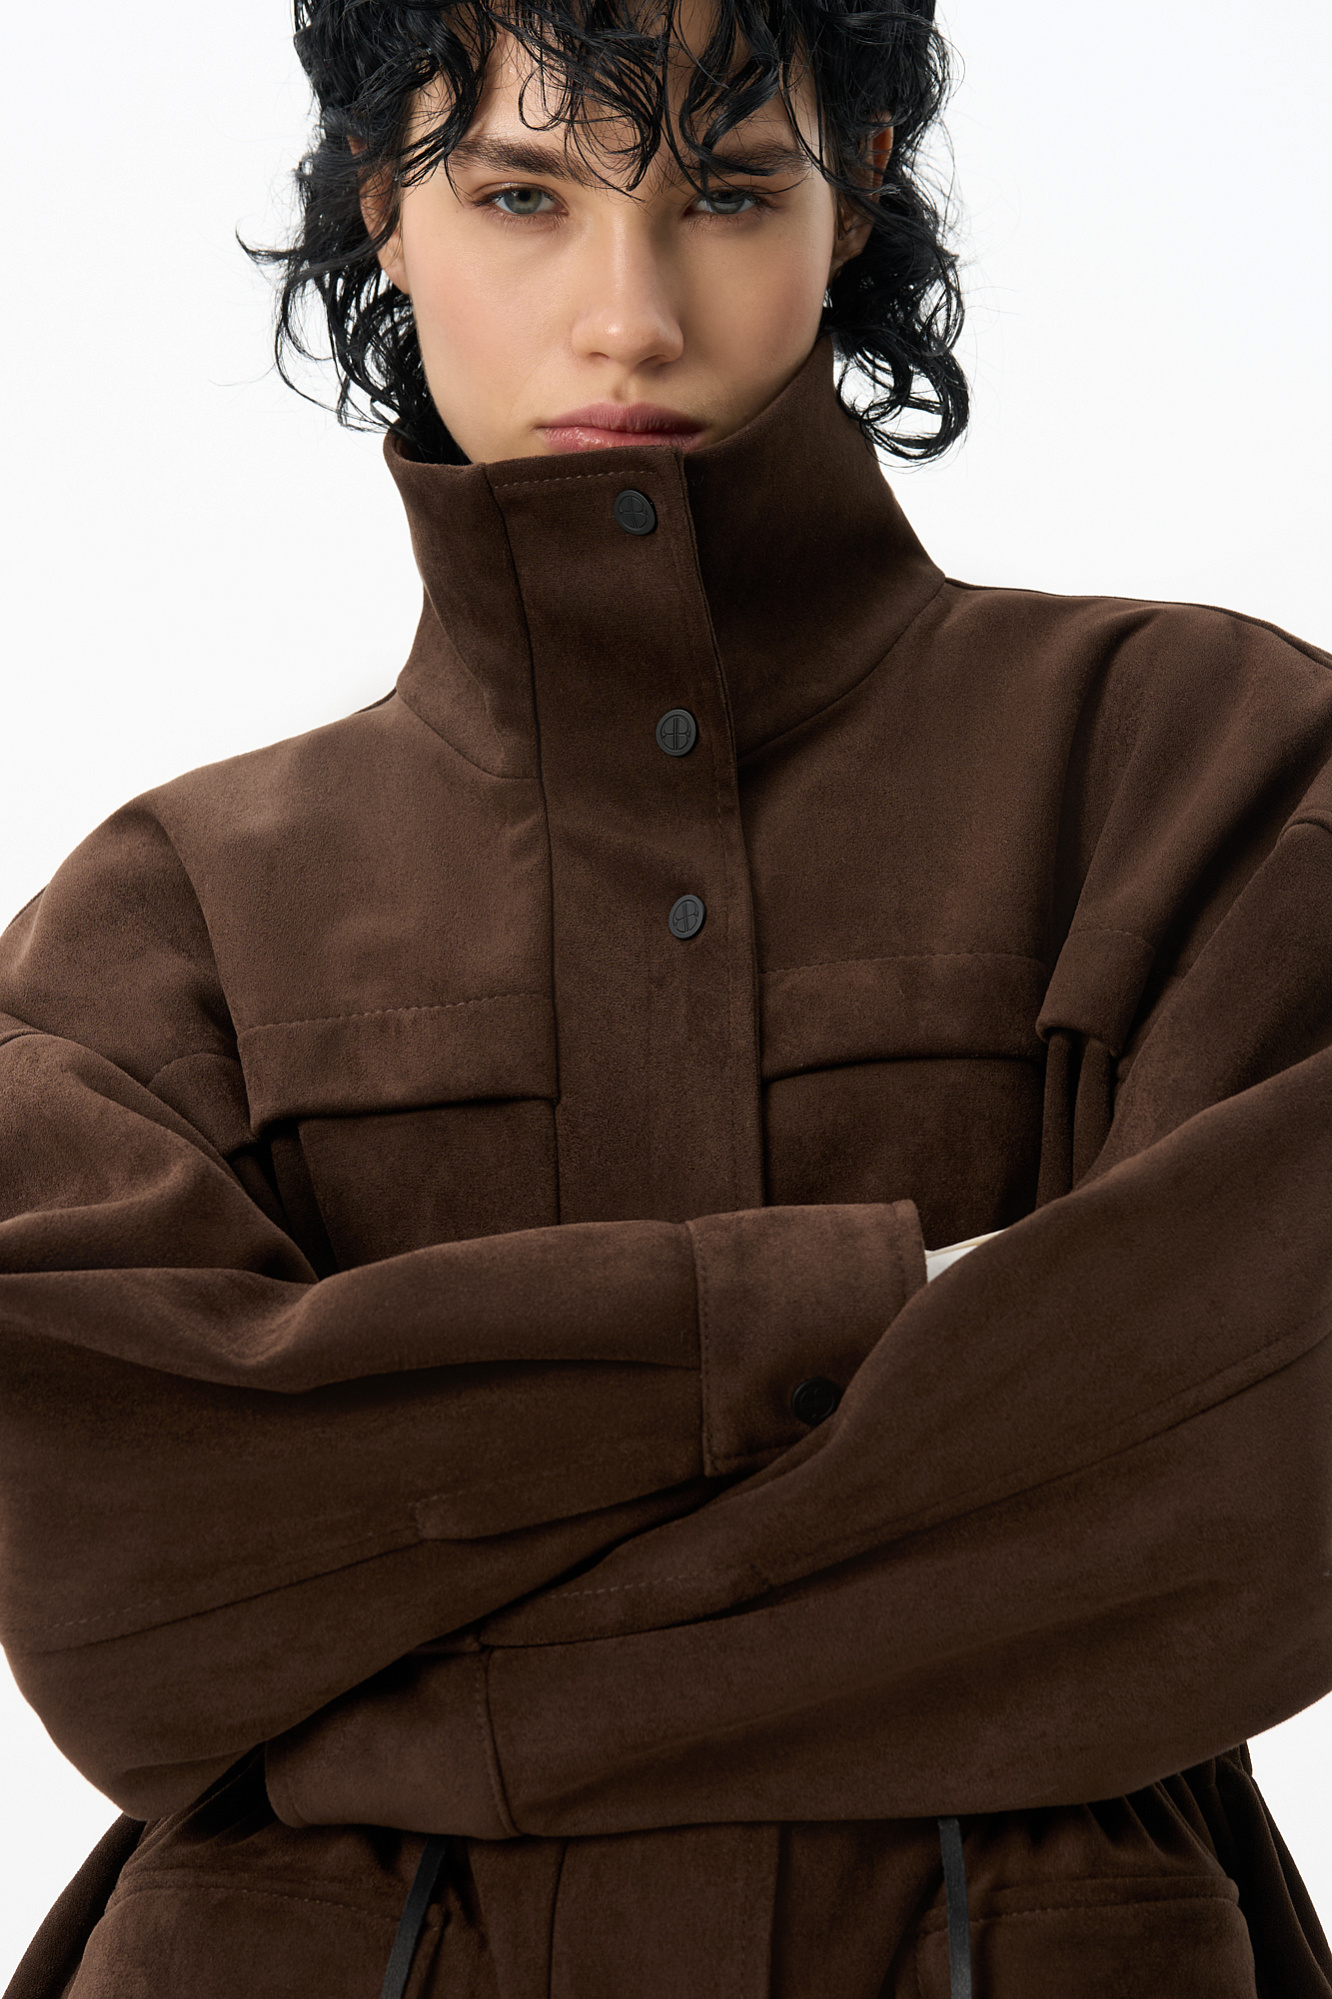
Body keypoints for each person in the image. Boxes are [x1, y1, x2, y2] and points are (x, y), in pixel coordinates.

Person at [2, 0, 1330, 1994]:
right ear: (381, 205)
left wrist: (395, 1676)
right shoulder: (167, 916)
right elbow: (120, 1586)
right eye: (522, 198)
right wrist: (882, 1317)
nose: (628, 318)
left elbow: (1242, 1488)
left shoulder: (1195, 775)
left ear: (855, 191)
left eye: (725, 193)